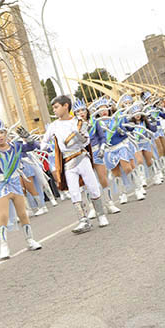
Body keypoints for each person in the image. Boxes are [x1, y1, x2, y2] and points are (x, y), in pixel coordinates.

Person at [40, 95, 109, 233]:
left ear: (66, 106)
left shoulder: (78, 121)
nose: (54, 110)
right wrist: (48, 148)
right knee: (74, 192)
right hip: (67, 161)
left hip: (81, 157)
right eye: (53, 108)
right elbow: (43, 142)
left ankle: (101, 215)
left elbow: (87, 141)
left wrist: (81, 139)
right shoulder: (54, 126)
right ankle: (83, 221)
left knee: (93, 186)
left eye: (56, 107)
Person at [0, 119, 43, 260]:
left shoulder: (16, 146)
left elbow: (33, 146)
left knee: (22, 214)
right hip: (0, 185)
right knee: (4, 215)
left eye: (2, 132)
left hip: (15, 183)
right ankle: (4, 246)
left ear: (6, 133)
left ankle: (30, 240)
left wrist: (28, 138)